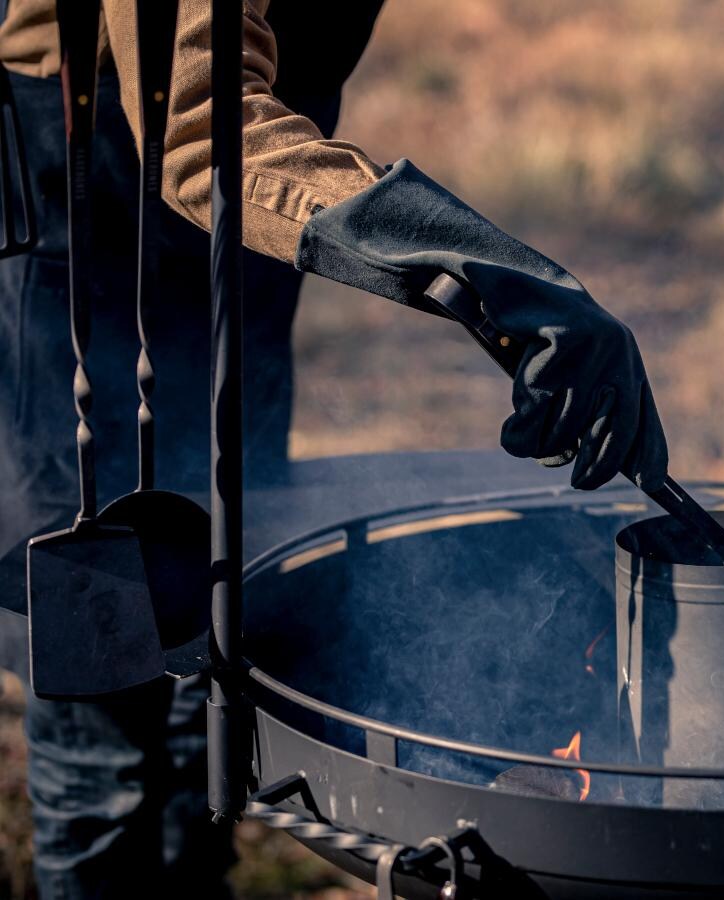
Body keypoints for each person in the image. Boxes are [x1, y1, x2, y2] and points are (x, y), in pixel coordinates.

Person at [0, 1, 667, 897]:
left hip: (252, 242)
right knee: (107, 730)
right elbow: (201, 132)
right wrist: (479, 269)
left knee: (221, 636)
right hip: (86, 226)